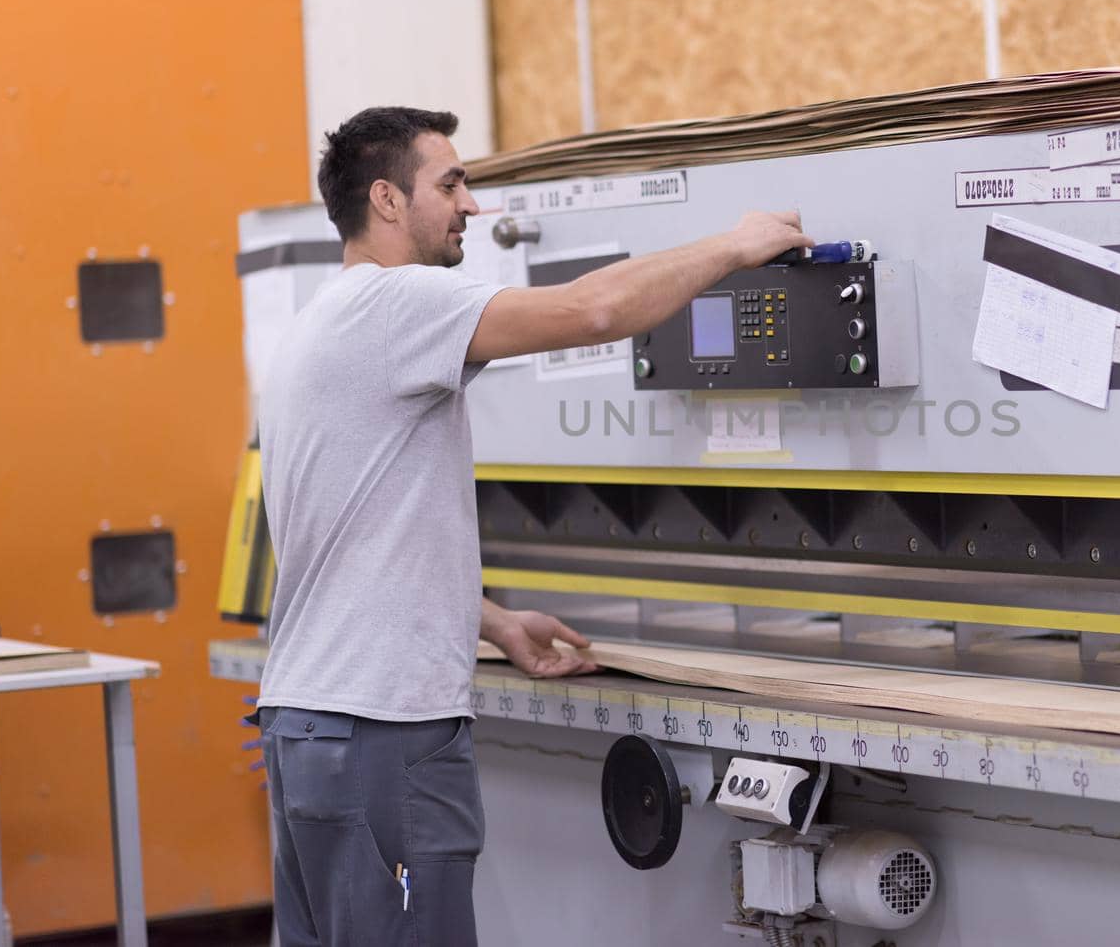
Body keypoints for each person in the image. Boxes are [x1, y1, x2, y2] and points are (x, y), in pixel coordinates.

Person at [253, 106, 813, 945]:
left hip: (312, 728)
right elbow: (591, 312)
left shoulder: (318, 324)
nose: (471, 206)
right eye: (451, 183)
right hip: (382, 734)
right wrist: (734, 246)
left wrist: (491, 620)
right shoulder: (402, 303)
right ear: (388, 201)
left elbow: (347, 532)